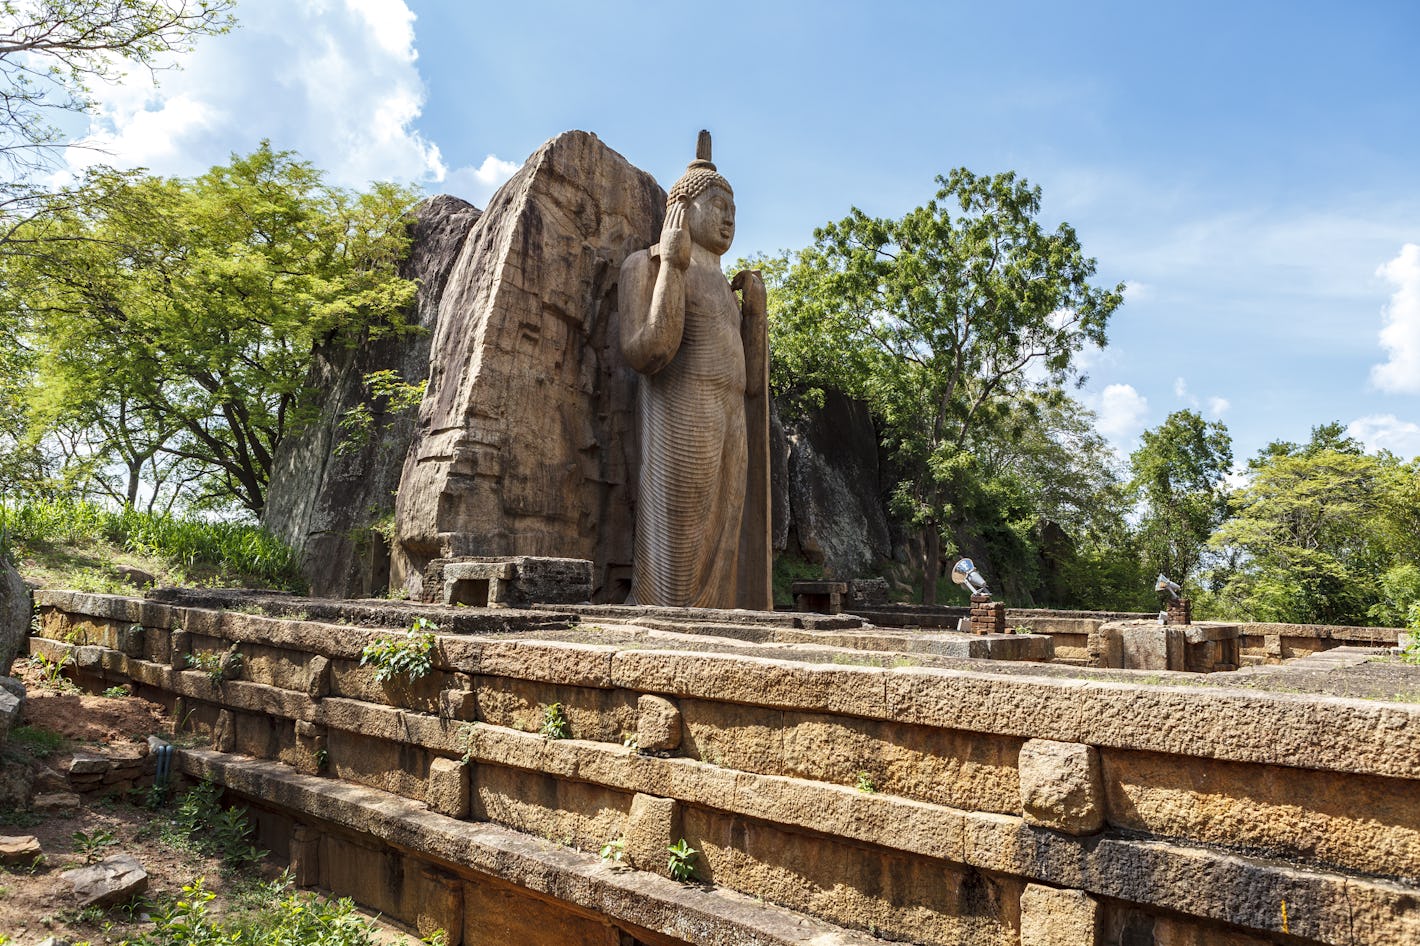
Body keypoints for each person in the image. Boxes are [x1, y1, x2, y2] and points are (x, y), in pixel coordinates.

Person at [619, 132, 771, 609]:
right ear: (683, 209)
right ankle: (663, 622)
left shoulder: (726, 288)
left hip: (731, 421)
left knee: (724, 544)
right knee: (679, 548)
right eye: (718, 203)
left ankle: (718, 624)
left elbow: (755, 384)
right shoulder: (644, 266)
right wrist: (672, 267)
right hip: (685, 417)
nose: (728, 217)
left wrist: (756, 314)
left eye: (734, 209)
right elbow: (650, 351)